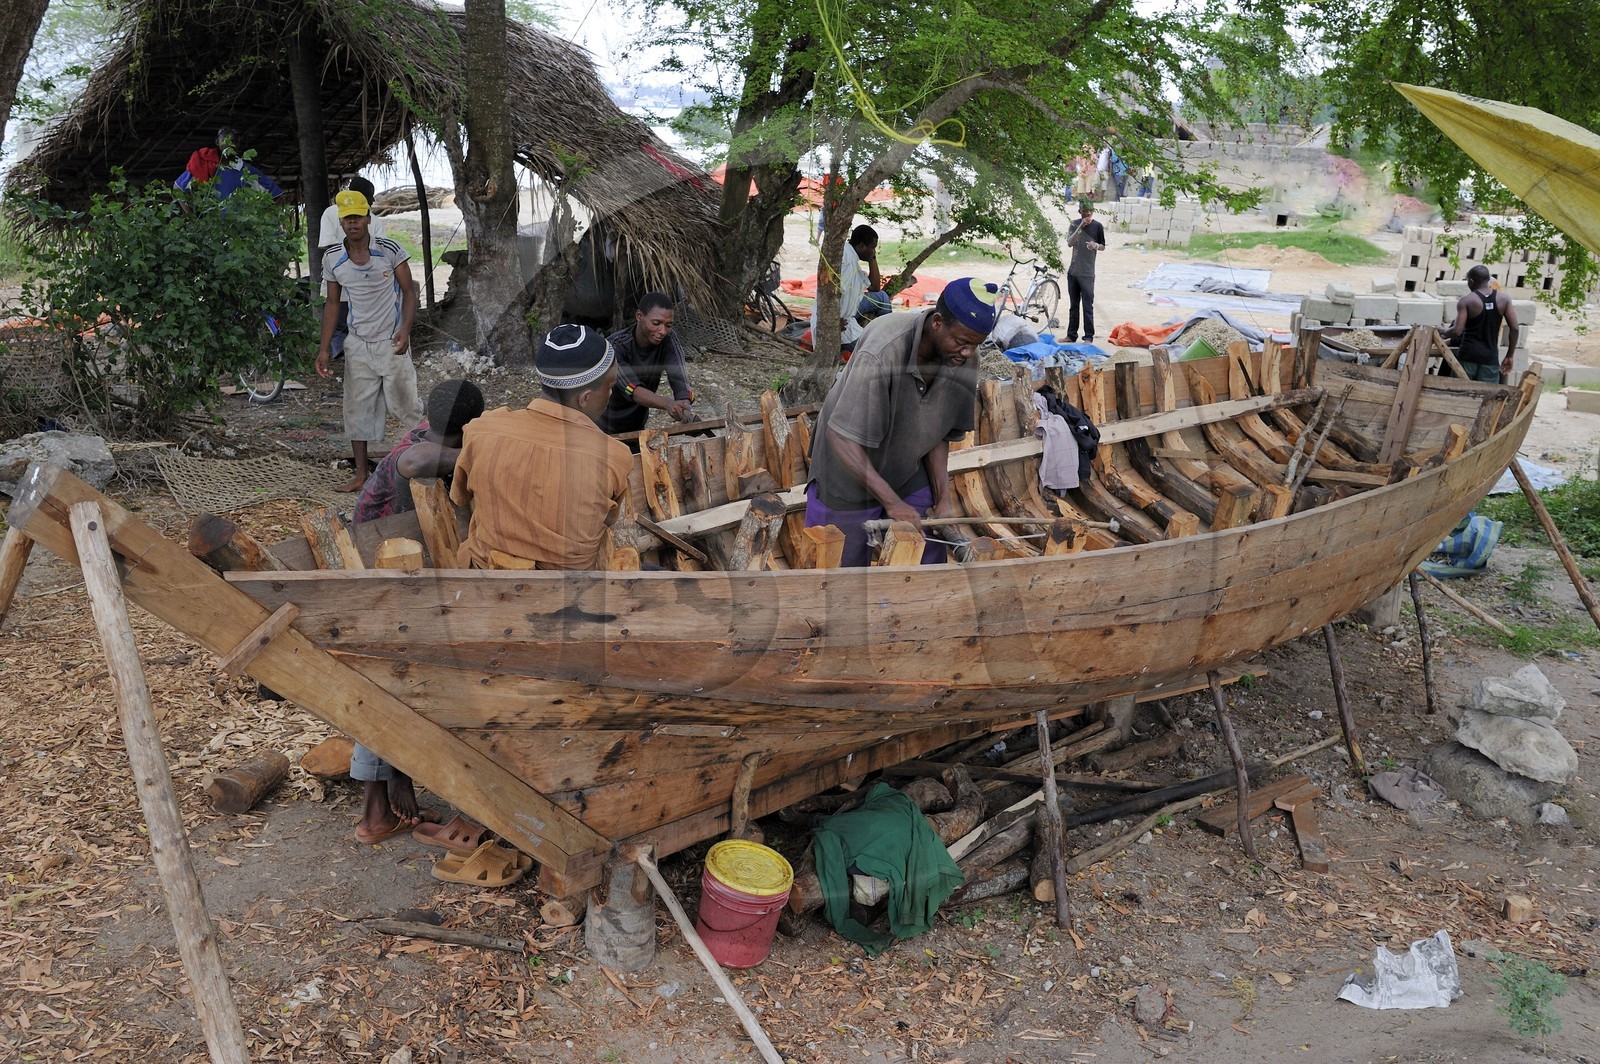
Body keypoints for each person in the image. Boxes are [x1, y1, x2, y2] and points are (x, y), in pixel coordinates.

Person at [804, 277, 998, 567]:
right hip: (847, 468)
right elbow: (841, 438)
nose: (968, 352)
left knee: (927, 552)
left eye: (975, 344)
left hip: (905, 468)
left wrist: (943, 501)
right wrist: (892, 503)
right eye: (961, 342)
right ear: (936, 322)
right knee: (839, 571)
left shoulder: (965, 355)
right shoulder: (883, 349)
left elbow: (938, 432)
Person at [451, 325, 633, 570]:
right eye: (609, 387)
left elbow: (460, 498)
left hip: (487, 580)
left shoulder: (481, 430)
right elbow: (608, 522)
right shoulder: (614, 457)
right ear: (585, 398)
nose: (610, 395)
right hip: (569, 597)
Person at [316, 189, 422, 493]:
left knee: (407, 407)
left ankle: (421, 468)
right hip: (358, 344)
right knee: (357, 411)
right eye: (347, 218)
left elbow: (409, 291)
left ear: (367, 218)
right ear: (341, 222)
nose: (352, 223)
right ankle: (362, 475)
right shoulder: (333, 258)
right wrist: (324, 349)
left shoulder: (389, 250)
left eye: (357, 217)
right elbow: (333, 304)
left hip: (391, 341)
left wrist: (405, 329)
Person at [352, 379, 485, 524]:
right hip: (372, 538)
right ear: (469, 425)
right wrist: (478, 452)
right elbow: (417, 460)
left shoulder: (434, 428)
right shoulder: (412, 453)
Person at [600, 292, 696, 435]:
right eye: (656, 323)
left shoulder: (668, 340)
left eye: (668, 325)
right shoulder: (615, 347)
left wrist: (684, 405)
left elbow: (679, 378)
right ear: (639, 316)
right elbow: (632, 390)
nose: (662, 331)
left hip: (636, 428)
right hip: (602, 428)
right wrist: (667, 403)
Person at [317, 176, 388, 361]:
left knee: (343, 323)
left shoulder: (331, 213)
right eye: (370, 197)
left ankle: (349, 356)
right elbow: (379, 251)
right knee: (352, 322)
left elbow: (327, 245)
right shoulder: (368, 219)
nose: (372, 201)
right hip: (358, 281)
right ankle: (350, 357)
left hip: (350, 280)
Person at [811, 224, 889, 353]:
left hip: (848, 314)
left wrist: (872, 259)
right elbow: (831, 294)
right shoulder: (847, 260)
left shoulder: (852, 257)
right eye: (873, 248)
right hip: (839, 324)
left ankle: (885, 334)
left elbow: (875, 287)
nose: (874, 251)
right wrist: (832, 323)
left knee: (882, 296)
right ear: (861, 246)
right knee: (878, 350)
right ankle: (883, 339)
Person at [1442, 265, 1519, 383]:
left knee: (1459, 395)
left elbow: (1457, 331)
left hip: (1467, 358)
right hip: (1490, 359)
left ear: (1471, 281)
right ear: (1489, 279)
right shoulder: (1504, 299)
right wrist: (1510, 355)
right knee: (1488, 397)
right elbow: (1515, 329)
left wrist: (1442, 330)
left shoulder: (1466, 300)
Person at [175, 127, 284, 200]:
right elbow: (178, 188)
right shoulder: (205, 165)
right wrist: (192, 218)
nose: (231, 145)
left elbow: (274, 194)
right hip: (211, 231)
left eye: (235, 141)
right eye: (226, 141)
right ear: (217, 142)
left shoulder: (247, 171)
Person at [1065, 201, 1107, 345]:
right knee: (1073, 305)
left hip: (1088, 273)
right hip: (1073, 272)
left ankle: (1088, 336)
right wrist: (1080, 227)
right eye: (1084, 211)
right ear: (1080, 211)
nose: (1087, 214)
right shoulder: (1074, 224)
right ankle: (1071, 335)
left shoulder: (1098, 226)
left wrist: (1095, 245)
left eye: (1090, 211)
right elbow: (1070, 242)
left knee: (1087, 306)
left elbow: (1103, 246)